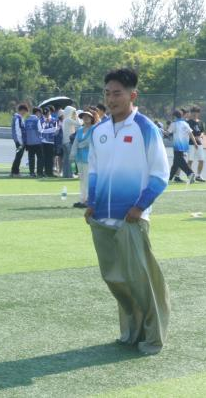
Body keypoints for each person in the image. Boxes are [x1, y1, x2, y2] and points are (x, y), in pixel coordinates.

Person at [85, 68, 170, 355]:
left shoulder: (146, 128)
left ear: (133, 95)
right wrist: (92, 203)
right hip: (102, 218)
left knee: (141, 281)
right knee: (115, 279)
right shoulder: (99, 131)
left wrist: (139, 207)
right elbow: (94, 171)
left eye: (117, 93)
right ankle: (131, 333)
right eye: (107, 93)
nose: (111, 99)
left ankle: (153, 338)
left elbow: (160, 175)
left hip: (132, 218)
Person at [71, 109, 99, 208]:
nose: (86, 118)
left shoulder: (94, 129)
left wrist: (79, 145)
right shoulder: (79, 130)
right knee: (82, 179)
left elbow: (89, 142)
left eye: (88, 116)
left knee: (88, 180)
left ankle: (88, 200)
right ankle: (82, 199)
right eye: (84, 116)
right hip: (79, 158)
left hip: (89, 158)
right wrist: (72, 154)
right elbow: (75, 142)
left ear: (92, 118)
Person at [167, 110, 197, 184]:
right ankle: (170, 178)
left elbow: (168, 133)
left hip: (177, 146)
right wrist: (195, 143)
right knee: (176, 162)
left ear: (175, 116)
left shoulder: (174, 124)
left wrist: (160, 130)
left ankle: (190, 173)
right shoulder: (185, 123)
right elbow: (191, 134)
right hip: (184, 145)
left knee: (179, 160)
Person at [187, 106, 206, 182]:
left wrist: (201, 135)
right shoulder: (188, 122)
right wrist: (195, 138)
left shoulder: (200, 122)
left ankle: (198, 176)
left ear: (198, 113)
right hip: (191, 144)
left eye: (197, 112)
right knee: (190, 160)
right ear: (191, 113)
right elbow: (189, 133)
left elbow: (202, 131)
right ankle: (190, 176)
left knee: (201, 160)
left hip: (199, 144)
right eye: (193, 112)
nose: (195, 114)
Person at [24, 107, 44, 178]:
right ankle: (39, 172)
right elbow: (40, 130)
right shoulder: (37, 120)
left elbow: (25, 131)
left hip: (29, 142)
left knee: (31, 158)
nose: (40, 115)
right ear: (37, 113)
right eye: (40, 113)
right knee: (40, 158)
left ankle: (31, 173)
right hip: (37, 142)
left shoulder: (26, 120)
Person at [39, 107, 58, 177]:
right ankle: (43, 172)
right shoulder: (41, 120)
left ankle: (50, 172)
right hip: (43, 141)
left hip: (51, 141)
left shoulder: (54, 120)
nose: (46, 115)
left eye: (47, 113)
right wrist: (47, 128)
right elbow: (41, 130)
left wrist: (46, 131)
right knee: (44, 157)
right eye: (45, 114)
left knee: (50, 158)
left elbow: (55, 129)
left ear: (50, 112)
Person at [61, 105, 80, 178]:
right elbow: (79, 124)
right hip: (69, 142)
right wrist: (77, 116)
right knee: (72, 159)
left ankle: (65, 174)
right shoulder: (68, 120)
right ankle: (72, 173)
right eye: (73, 112)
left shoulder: (65, 120)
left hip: (64, 142)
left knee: (66, 160)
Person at [10, 104, 28, 177]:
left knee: (18, 156)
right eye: (25, 111)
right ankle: (15, 172)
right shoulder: (18, 118)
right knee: (18, 156)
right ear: (22, 110)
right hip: (19, 141)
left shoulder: (18, 117)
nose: (25, 113)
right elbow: (18, 131)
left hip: (19, 140)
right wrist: (21, 142)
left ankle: (14, 171)